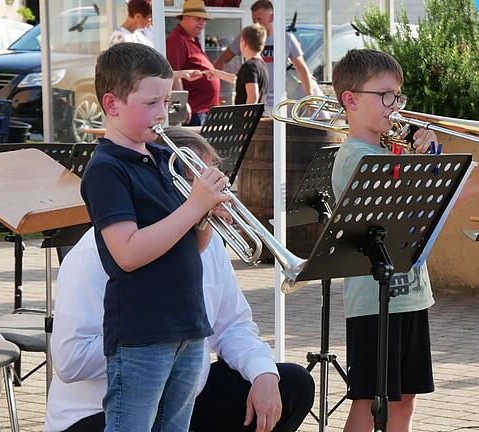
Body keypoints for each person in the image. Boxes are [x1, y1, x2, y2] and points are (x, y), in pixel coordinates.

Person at [45, 127, 314, 432]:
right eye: (198, 183)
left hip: (181, 397)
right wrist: (155, 343)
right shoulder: (97, 250)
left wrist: (263, 373)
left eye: (215, 179)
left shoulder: (209, 241)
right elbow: (69, 361)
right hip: (98, 412)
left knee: (292, 384)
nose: (216, 194)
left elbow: (233, 326)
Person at [330, 48, 479, 431]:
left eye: (398, 96)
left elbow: (416, 207)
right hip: (373, 300)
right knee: (369, 401)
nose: (395, 106)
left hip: (410, 293)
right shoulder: (356, 157)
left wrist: (424, 159)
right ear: (351, 100)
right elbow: (411, 214)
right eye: (386, 96)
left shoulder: (383, 151)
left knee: (405, 401)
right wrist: (472, 186)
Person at [81, 42, 229, 431]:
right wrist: (194, 207)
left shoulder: (164, 159)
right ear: (112, 105)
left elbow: (193, 245)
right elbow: (127, 252)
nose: (163, 114)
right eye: (151, 103)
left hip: (188, 325)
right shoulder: (106, 170)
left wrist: (208, 215)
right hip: (142, 333)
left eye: (166, 101)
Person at [214, 0, 313, 110]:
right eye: (254, 20)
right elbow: (223, 59)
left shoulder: (285, 38)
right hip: (253, 101)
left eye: (259, 19)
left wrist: (309, 99)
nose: (256, 23)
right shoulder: (247, 37)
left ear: (271, 17)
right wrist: (216, 88)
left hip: (277, 103)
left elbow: (302, 68)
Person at [166, 0, 221, 126]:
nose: (202, 23)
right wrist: (182, 105)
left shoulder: (190, 39)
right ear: (185, 17)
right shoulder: (177, 40)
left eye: (204, 19)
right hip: (193, 113)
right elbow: (174, 74)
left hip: (203, 111)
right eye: (198, 18)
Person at [212, 24, 269, 105]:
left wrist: (246, 116)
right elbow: (240, 80)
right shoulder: (261, 65)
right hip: (259, 115)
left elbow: (253, 97)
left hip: (247, 116)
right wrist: (217, 73)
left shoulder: (250, 66)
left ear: (243, 42)